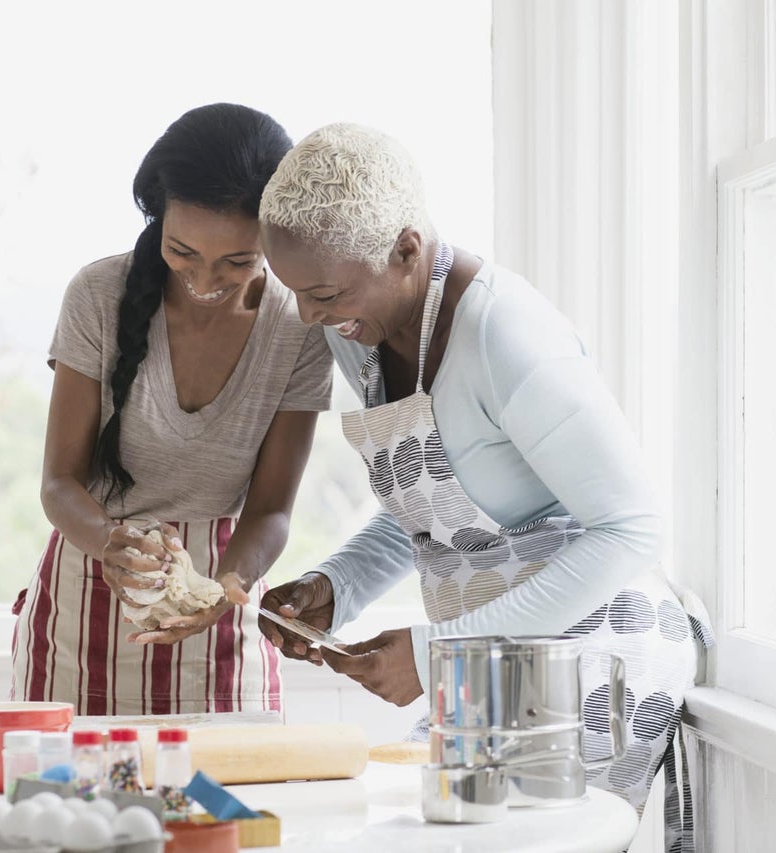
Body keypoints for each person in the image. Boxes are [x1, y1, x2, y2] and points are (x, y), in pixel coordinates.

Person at [254, 123, 711, 848]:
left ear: (406, 249)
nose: (309, 316)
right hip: (488, 654)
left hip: (593, 648)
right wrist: (335, 585)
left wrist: (444, 650)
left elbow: (633, 529)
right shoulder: (357, 327)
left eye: (323, 293)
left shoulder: (507, 332)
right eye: (297, 293)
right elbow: (446, 518)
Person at [11, 103, 332, 716]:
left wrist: (224, 588)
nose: (205, 279)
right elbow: (58, 483)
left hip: (221, 600)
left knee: (224, 808)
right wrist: (113, 543)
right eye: (181, 250)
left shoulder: (299, 325)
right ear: (157, 218)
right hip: (85, 597)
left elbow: (269, 511)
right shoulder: (98, 296)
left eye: (237, 260)